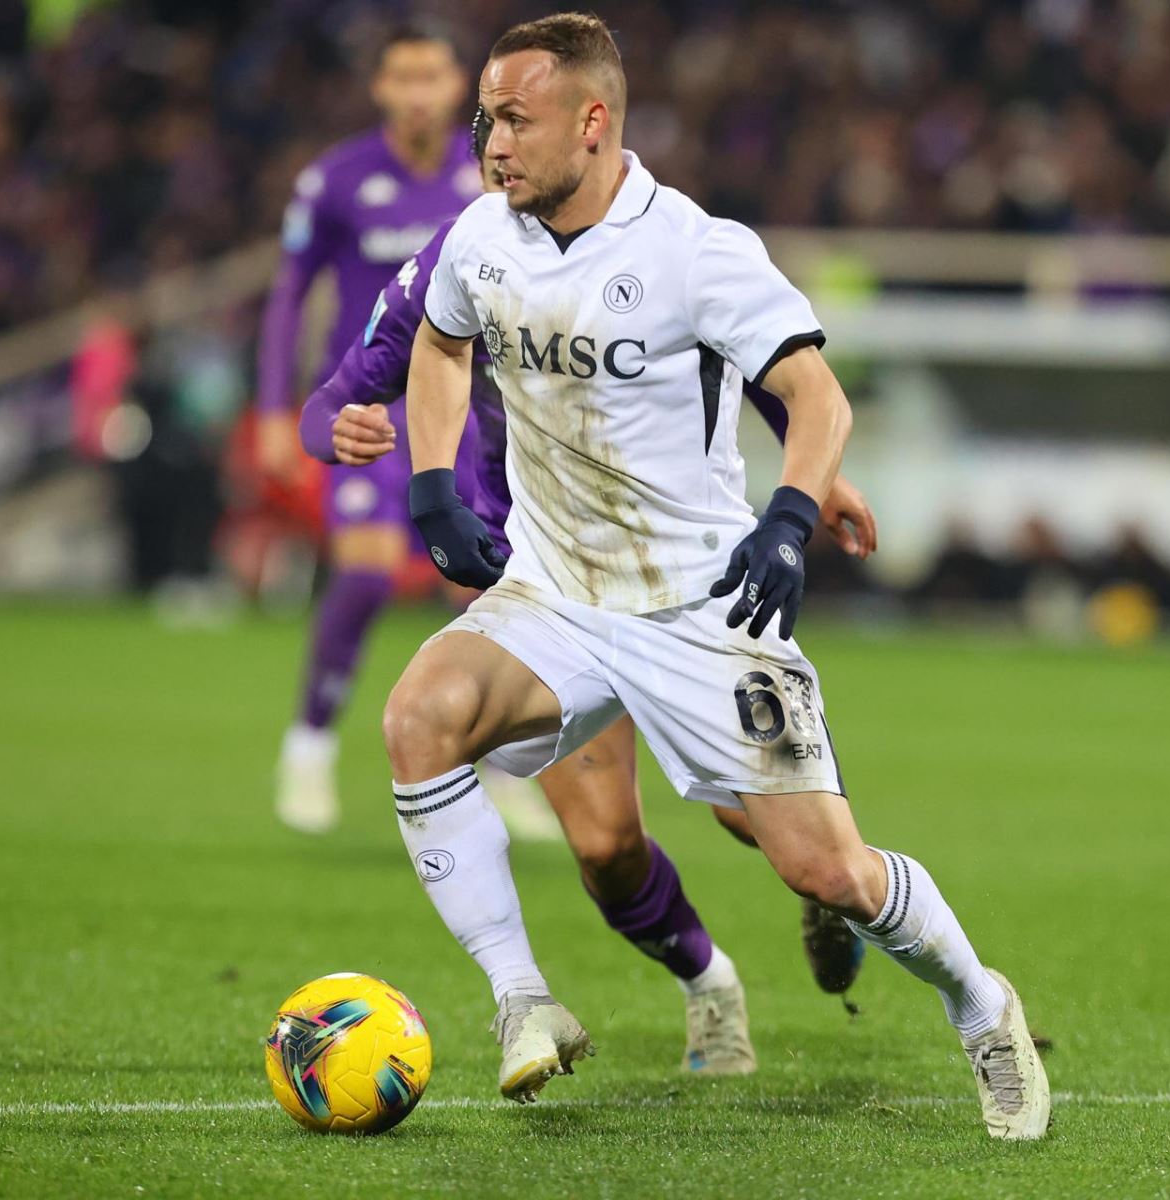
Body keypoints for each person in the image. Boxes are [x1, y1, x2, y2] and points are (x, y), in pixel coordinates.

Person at [349, 13, 1048, 1139]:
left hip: (700, 607)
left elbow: (816, 398)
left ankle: (982, 1005)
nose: (491, 144)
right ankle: (524, 1002)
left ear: (594, 121)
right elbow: (439, 343)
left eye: (514, 120)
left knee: (832, 875)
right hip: (557, 594)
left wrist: (787, 517)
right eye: (486, 120)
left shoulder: (695, 249)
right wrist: (433, 485)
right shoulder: (483, 236)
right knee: (420, 721)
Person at [303, 107, 880, 1076]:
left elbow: (718, 346)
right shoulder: (466, 254)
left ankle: (830, 884)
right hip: (548, 590)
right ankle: (709, 985)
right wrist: (338, 430)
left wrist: (808, 473)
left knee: (753, 816)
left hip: (674, 577)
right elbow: (341, 390)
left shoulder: (645, 245)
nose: (502, 163)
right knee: (608, 849)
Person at [254, 25, 558, 838]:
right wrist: (276, 408)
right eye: (404, 77)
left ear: (457, 86)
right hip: (369, 411)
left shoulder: (490, 179)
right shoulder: (336, 180)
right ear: (382, 89)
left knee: (490, 589)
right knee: (362, 574)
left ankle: (498, 764)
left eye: (433, 77)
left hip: (466, 410)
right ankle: (309, 746)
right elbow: (289, 295)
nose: (420, 92)